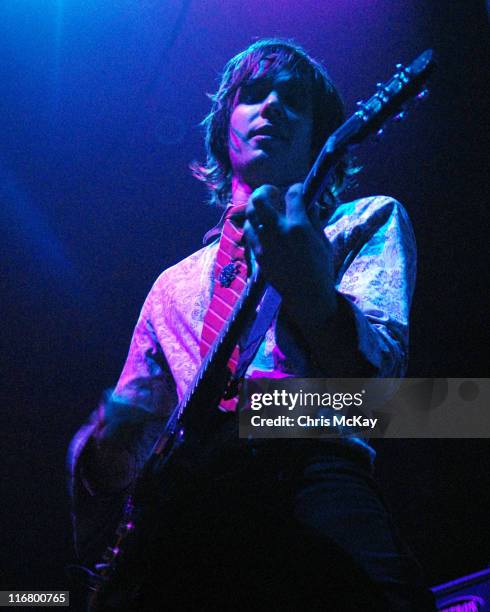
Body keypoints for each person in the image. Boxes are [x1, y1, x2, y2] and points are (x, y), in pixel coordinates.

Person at [68, 39, 436, 610]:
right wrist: (106, 447)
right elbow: (128, 458)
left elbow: (385, 397)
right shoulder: (172, 287)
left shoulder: (364, 221)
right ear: (223, 128)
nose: (272, 108)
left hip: (311, 474)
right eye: (253, 95)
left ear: (320, 137)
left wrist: (310, 295)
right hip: (188, 519)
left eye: (293, 100)